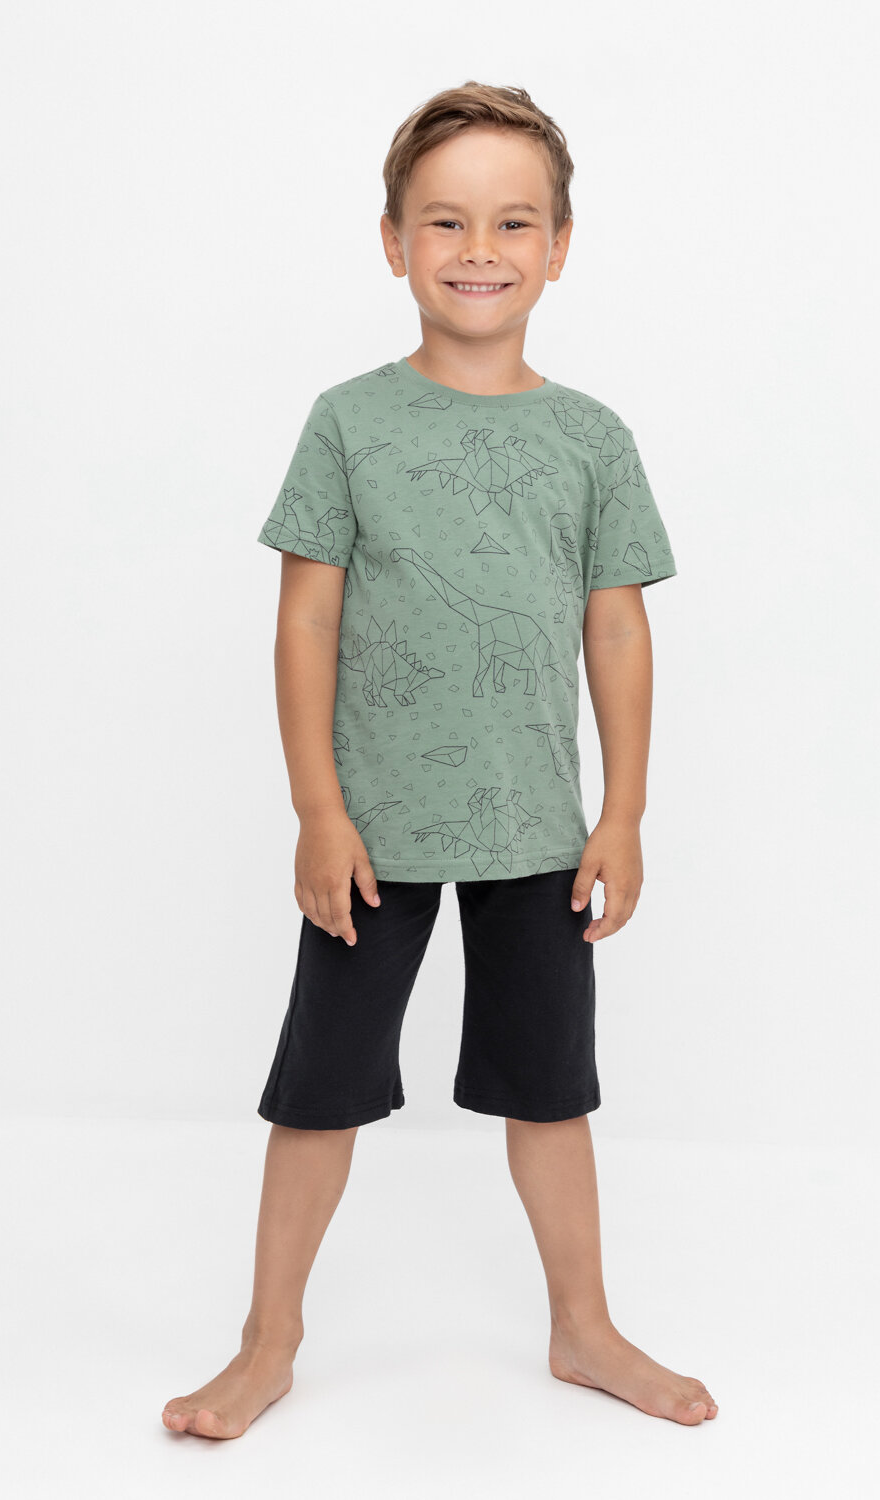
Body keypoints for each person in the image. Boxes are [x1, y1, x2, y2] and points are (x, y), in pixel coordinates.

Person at [162, 80, 717, 1440]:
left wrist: (625, 812)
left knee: (553, 1091)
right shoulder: (349, 423)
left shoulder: (591, 438)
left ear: (560, 247)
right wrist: (318, 810)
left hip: (539, 829)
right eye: (446, 221)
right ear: (394, 241)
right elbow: (305, 622)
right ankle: (268, 1340)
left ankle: (583, 1328)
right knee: (319, 1090)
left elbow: (618, 631)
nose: (480, 248)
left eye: (514, 222)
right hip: (374, 831)